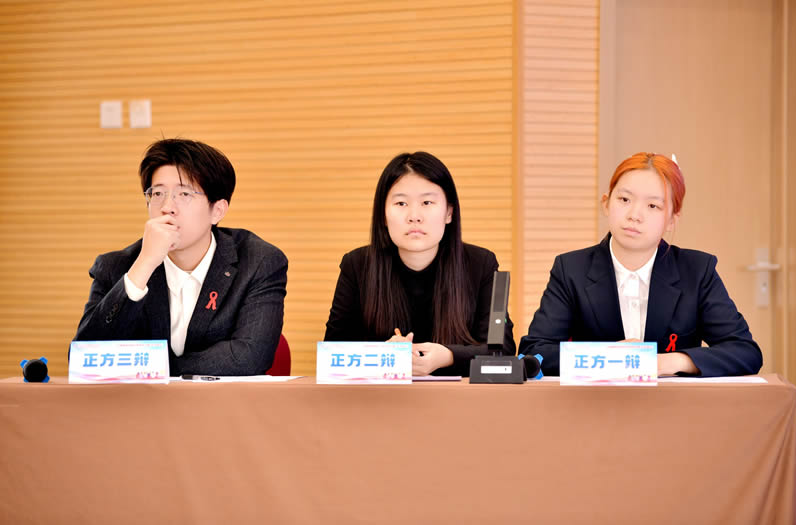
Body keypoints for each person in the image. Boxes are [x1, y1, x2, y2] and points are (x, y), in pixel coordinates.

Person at [519, 152, 762, 377]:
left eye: (652, 206)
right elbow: (534, 352)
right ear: (606, 203)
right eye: (624, 199)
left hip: (674, 406)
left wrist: (668, 362)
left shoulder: (697, 271)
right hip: (594, 405)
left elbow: (745, 352)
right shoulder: (571, 269)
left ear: (671, 220)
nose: (635, 215)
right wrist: (610, 358)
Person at [73, 138, 287, 376]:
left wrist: (155, 368)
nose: (167, 207)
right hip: (140, 402)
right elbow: (84, 358)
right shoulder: (117, 267)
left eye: (184, 193)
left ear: (217, 210)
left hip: (224, 400)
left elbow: (250, 355)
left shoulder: (258, 262)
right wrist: (144, 265)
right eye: (157, 193)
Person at [324, 151, 515, 376]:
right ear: (383, 215)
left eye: (427, 202)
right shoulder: (356, 266)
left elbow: (501, 351)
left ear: (449, 212)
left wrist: (448, 356)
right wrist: (382, 354)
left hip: (458, 397)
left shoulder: (482, 264)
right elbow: (331, 355)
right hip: (383, 397)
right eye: (401, 203)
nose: (414, 216)